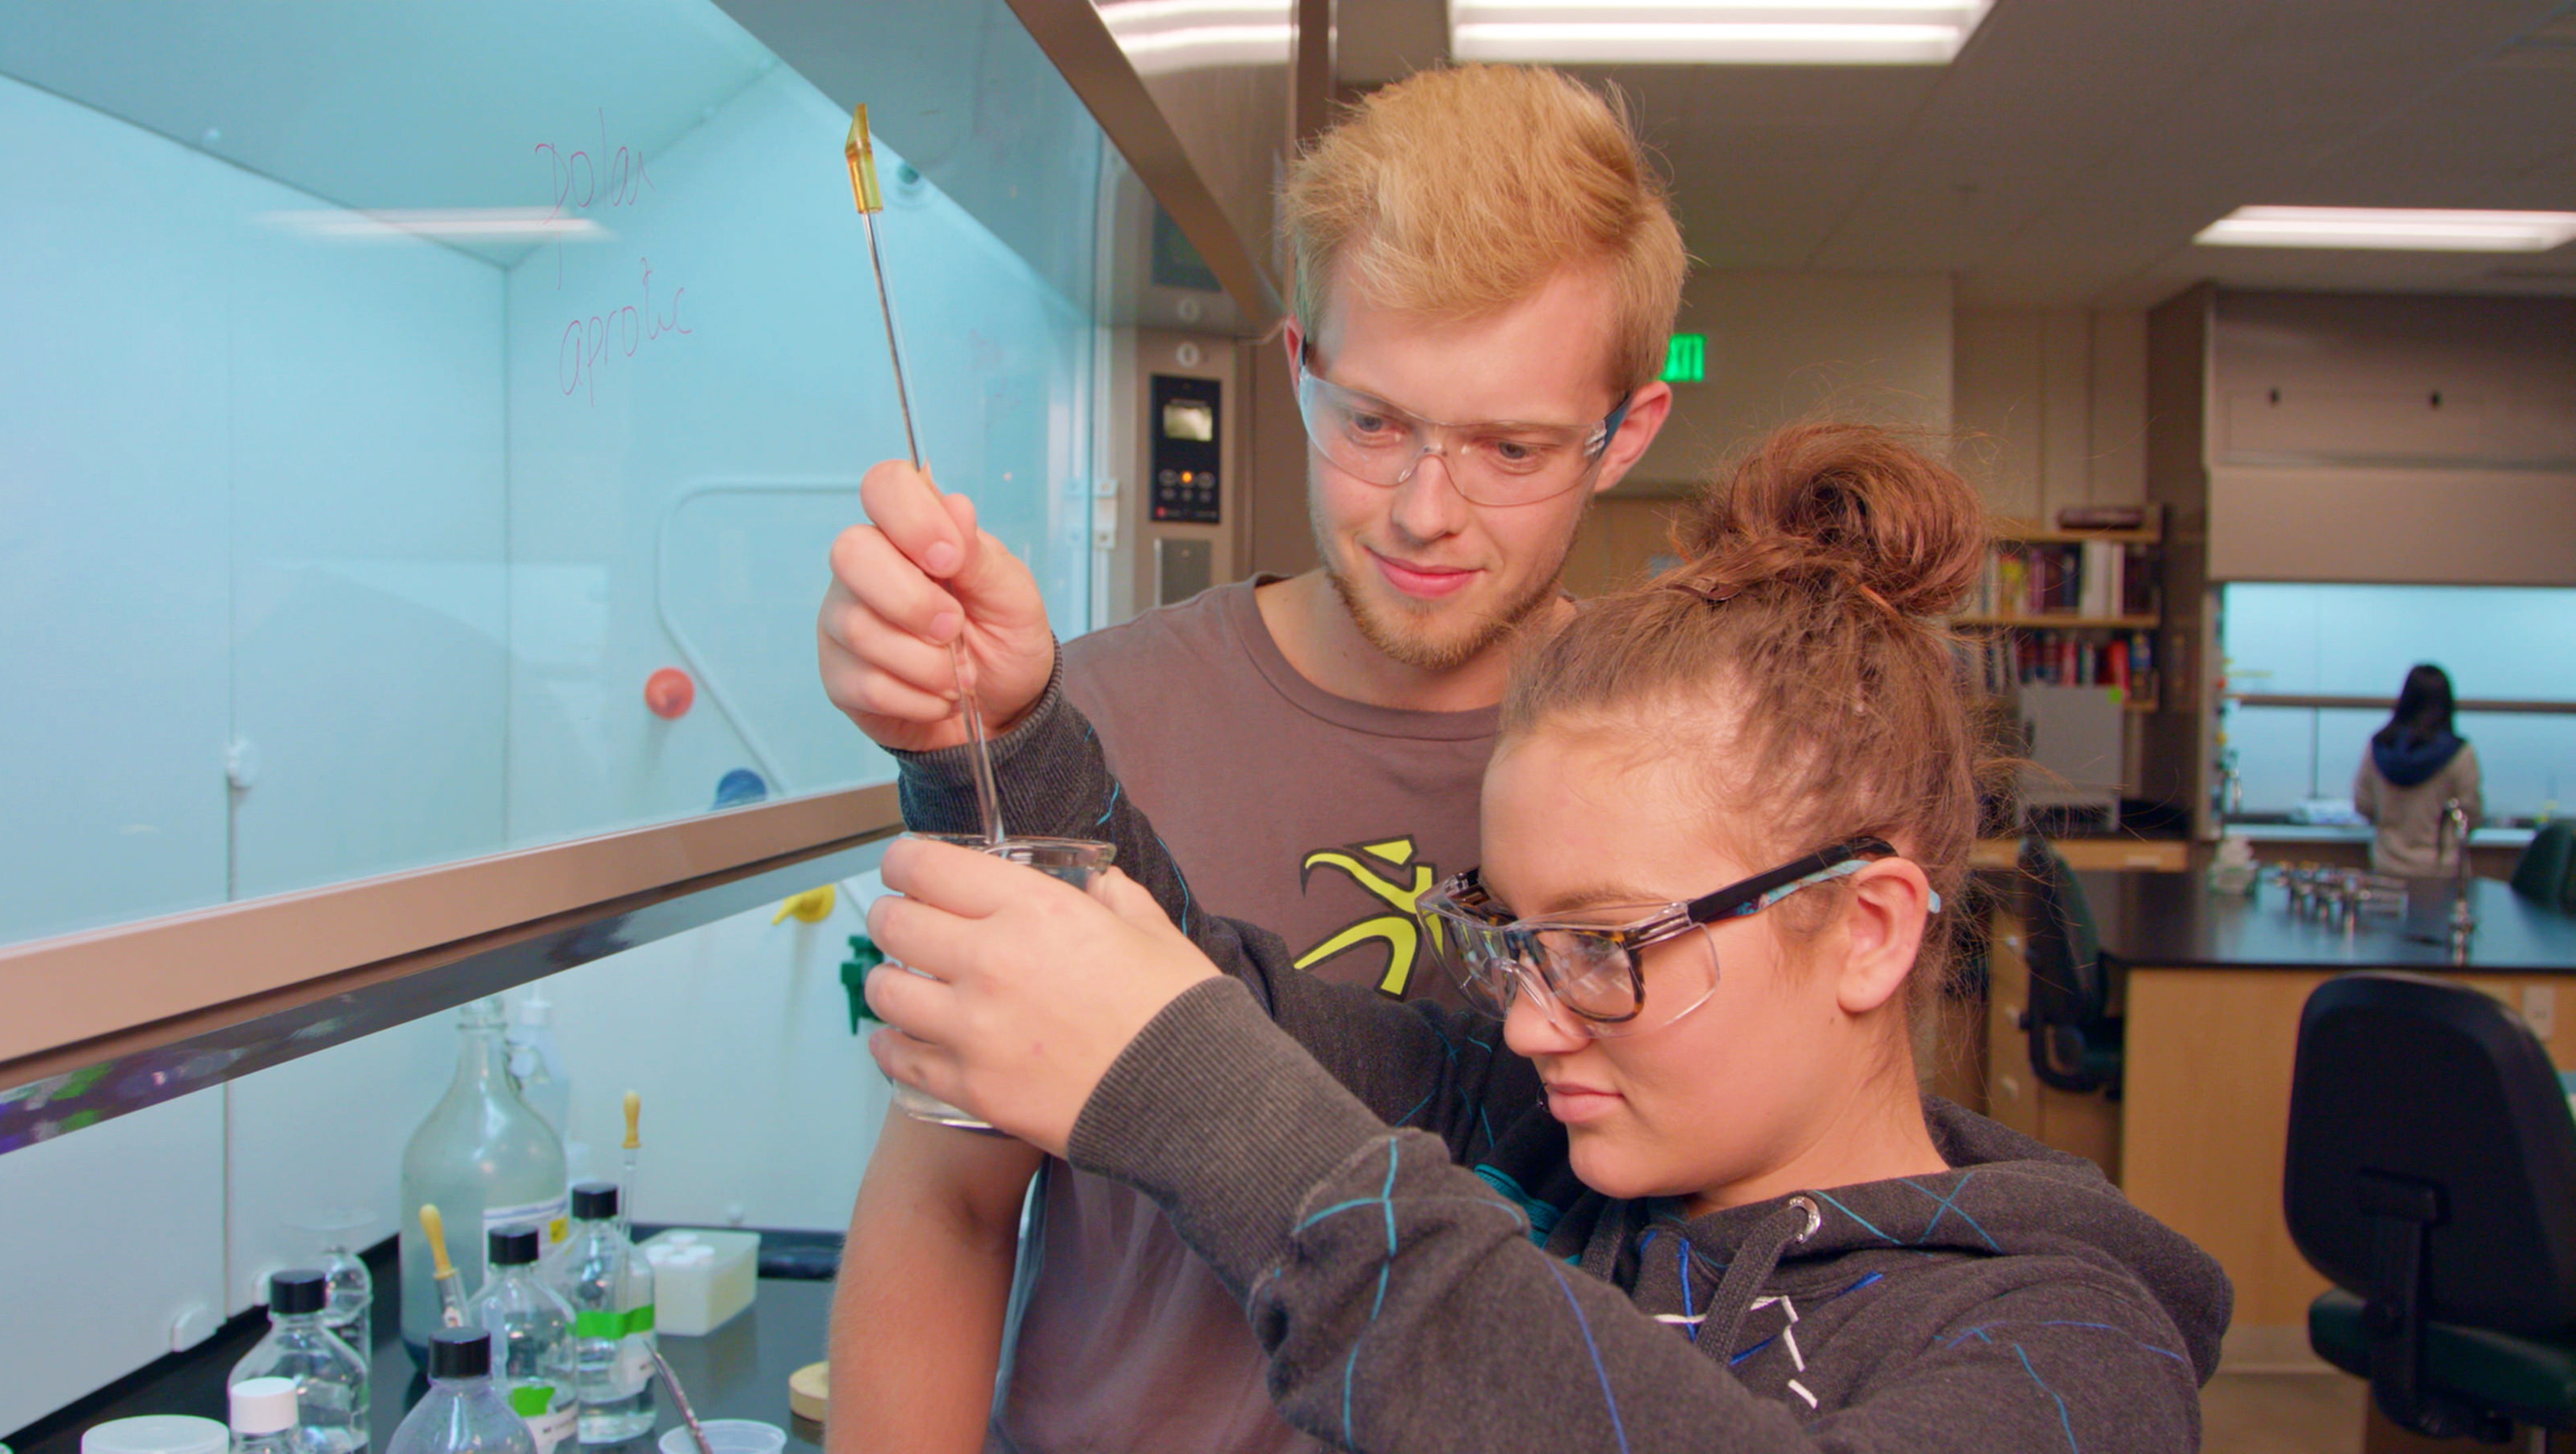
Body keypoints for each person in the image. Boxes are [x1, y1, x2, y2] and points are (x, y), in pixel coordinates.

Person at [858, 422, 2230, 1452]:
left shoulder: (2072, 1352)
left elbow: (1221, 1083)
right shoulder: (1541, 1136)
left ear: (1867, 932)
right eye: (1518, 940)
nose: (1528, 1020)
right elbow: (1210, 987)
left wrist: (1209, 1104)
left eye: (1601, 947)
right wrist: (1002, 728)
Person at [815, 65, 1681, 1453]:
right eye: (1374, 422)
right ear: (1296, 364)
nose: (1422, 513)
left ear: (1623, 432)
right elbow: (945, 1204)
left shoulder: (1679, 777)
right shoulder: (1081, 726)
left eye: (1509, 447)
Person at [2353, 664, 2482, 877]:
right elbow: (2470, 815)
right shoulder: (2459, 753)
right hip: (2441, 871)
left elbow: (2363, 804)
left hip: (2387, 865)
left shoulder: (2379, 745)